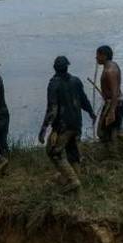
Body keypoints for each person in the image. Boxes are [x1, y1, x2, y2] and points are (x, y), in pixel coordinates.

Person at [39, 56, 96, 192]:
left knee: (53, 152)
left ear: (54, 68)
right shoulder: (76, 81)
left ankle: (72, 180)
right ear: (67, 67)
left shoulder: (53, 84)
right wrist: (91, 113)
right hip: (77, 124)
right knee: (72, 150)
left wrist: (43, 129)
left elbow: (52, 109)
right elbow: (84, 100)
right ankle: (76, 176)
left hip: (63, 126)